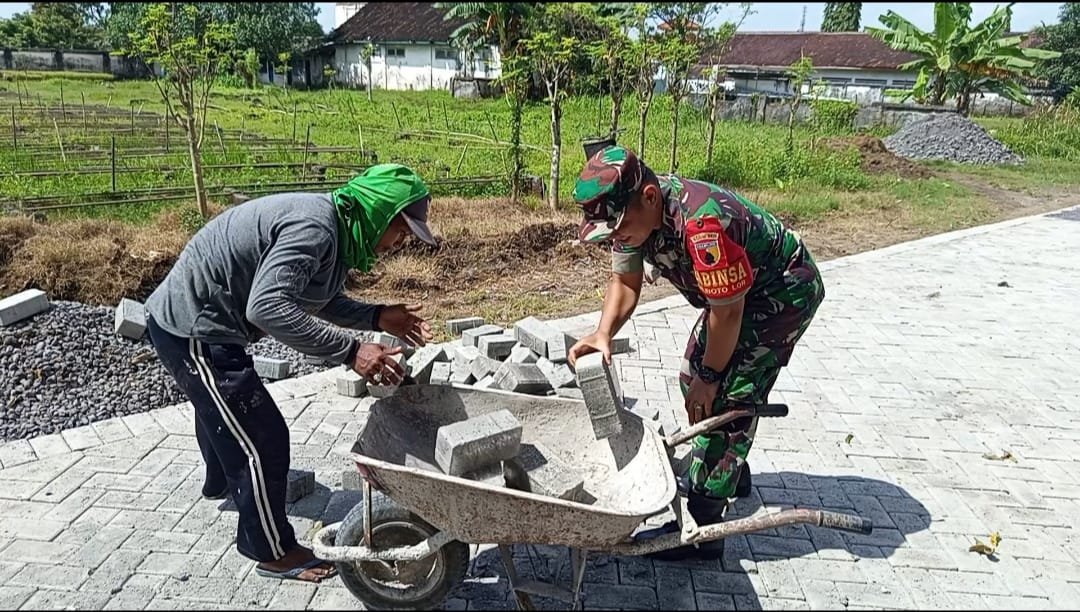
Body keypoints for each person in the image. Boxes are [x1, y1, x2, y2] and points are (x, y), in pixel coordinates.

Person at [144, 164, 438, 582]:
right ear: (379, 211)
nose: (400, 242)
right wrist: (352, 351)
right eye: (401, 230)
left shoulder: (335, 230)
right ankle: (272, 552)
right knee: (262, 439)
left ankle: (221, 483)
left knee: (223, 409)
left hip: (205, 321)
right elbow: (266, 308)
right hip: (193, 328)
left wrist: (376, 316)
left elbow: (316, 297)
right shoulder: (315, 229)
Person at [566, 145, 825, 561]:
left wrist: (712, 376)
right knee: (694, 379)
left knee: (729, 397)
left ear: (650, 197)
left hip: (781, 292)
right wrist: (603, 333)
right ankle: (728, 468)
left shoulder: (703, 224)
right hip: (734, 298)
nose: (615, 238)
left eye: (617, 229)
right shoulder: (630, 220)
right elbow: (626, 282)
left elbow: (729, 311)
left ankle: (704, 528)